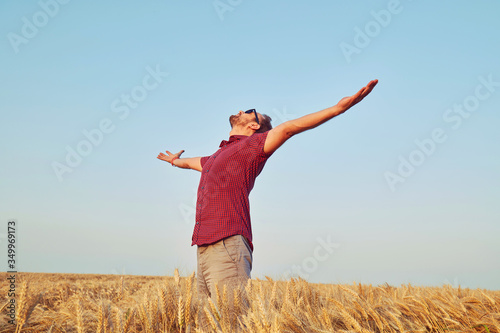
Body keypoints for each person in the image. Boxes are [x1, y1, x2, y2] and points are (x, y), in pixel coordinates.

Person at [157, 79, 378, 309]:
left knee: (231, 321)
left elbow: (287, 129)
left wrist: (338, 109)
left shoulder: (253, 147)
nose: (242, 110)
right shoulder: (217, 156)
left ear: (253, 127)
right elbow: (192, 163)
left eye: (250, 112)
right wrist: (175, 161)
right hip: (203, 247)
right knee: (205, 322)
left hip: (227, 243)